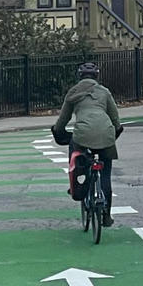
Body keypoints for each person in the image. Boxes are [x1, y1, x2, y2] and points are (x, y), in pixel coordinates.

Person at [52, 62, 123, 226]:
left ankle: (76, 184)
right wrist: (116, 131)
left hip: (82, 134)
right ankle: (106, 214)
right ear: (97, 77)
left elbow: (63, 119)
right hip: (106, 132)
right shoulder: (104, 92)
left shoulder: (73, 92)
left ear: (79, 77)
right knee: (105, 175)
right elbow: (115, 119)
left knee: (74, 148)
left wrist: (58, 131)